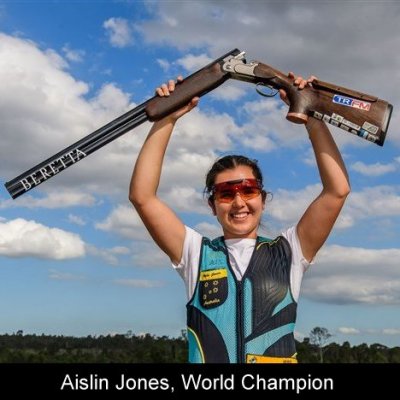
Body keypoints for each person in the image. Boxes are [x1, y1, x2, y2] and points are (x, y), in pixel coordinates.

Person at [129, 73, 350, 363]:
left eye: (248, 190)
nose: (238, 202)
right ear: (212, 205)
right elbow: (142, 196)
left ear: (263, 199)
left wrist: (311, 114)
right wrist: (166, 117)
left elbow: (337, 191)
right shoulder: (196, 253)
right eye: (225, 193)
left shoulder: (291, 251)